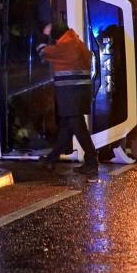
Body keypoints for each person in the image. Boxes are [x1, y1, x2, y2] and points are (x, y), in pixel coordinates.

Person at [37, 21, 99, 175]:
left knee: (78, 128)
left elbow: (42, 52)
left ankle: (92, 161)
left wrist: (44, 35)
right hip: (79, 93)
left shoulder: (65, 47)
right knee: (66, 128)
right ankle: (51, 160)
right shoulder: (77, 43)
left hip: (70, 94)